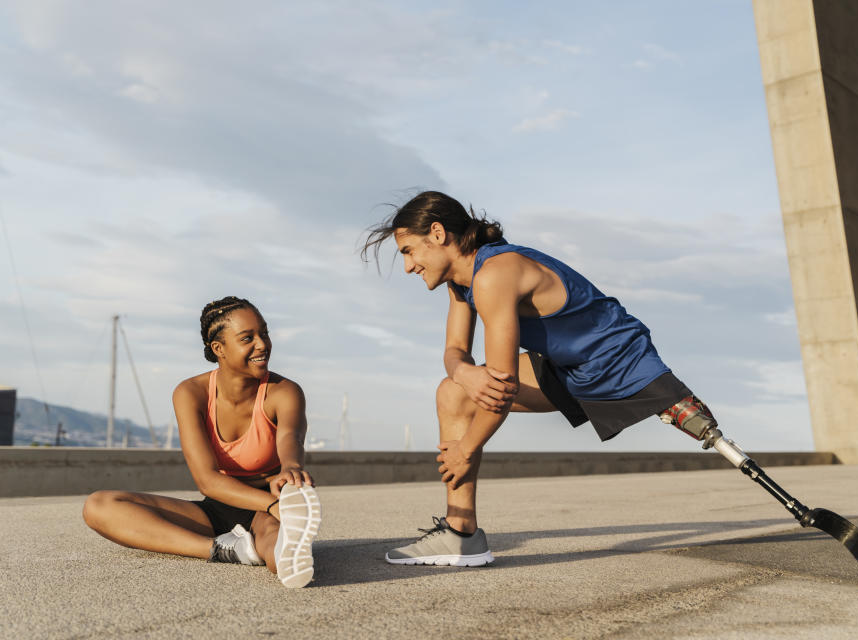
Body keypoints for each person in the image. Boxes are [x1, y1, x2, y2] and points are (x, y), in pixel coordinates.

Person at [362, 191, 719, 566]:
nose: (408, 266)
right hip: (565, 365)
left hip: (616, 362)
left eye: (407, 251)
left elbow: (502, 389)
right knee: (453, 392)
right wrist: (462, 371)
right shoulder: (461, 282)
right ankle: (460, 533)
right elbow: (454, 351)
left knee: (471, 393)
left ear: (437, 234)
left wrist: (465, 449)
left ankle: (672, 402)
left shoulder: (495, 275)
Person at [83, 296, 322, 588]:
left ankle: (282, 546)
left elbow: (290, 437)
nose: (262, 344)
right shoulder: (191, 393)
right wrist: (273, 504)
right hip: (220, 507)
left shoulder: (283, 391)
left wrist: (291, 468)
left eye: (265, 333)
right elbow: (207, 481)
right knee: (99, 506)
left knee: (278, 558)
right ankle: (225, 549)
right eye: (248, 337)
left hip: (264, 508)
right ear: (218, 348)